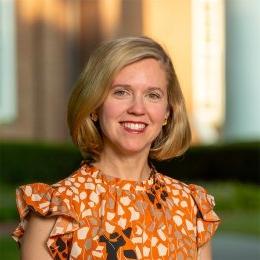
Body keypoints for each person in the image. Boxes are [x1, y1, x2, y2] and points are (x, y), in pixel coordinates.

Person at [12, 36, 220, 259]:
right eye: (121, 92)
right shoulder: (57, 212)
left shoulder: (189, 207)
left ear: (167, 112)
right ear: (94, 105)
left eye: (152, 95)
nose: (138, 109)